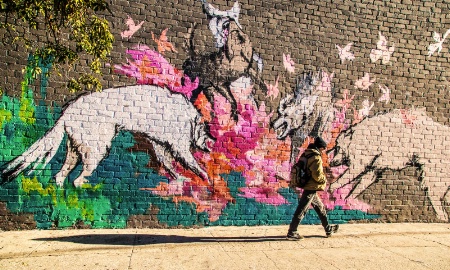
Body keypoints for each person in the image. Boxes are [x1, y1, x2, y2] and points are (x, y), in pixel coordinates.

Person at [287, 136, 339, 240]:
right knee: (302, 209)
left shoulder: (307, 153)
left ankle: (328, 229)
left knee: (320, 208)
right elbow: (317, 175)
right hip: (311, 186)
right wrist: (324, 180)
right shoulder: (316, 157)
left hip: (309, 185)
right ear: (320, 148)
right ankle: (292, 232)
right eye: (323, 149)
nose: (323, 151)